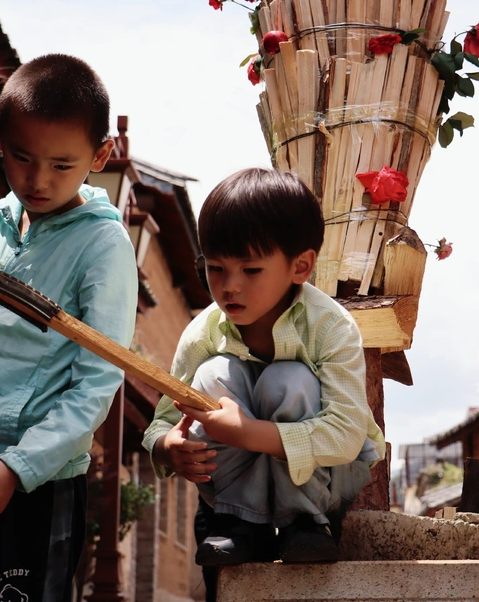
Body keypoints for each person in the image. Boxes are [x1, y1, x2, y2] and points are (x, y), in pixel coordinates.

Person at [0, 54, 138, 602]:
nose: (38, 180)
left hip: (35, 487)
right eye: (21, 157)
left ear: (99, 158)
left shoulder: (104, 247)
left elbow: (95, 387)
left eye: (63, 165)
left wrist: (19, 465)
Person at [143, 167, 385, 570]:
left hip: (326, 485)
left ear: (301, 267)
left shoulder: (330, 326)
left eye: (251, 270)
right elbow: (162, 421)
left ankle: (304, 522)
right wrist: (168, 448)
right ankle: (240, 525)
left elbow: (346, 435)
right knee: (212, 375)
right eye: (216, 268)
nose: (229, 286)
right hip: (228, 506)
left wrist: (250, 433)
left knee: (287, 379)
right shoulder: (202, 333)